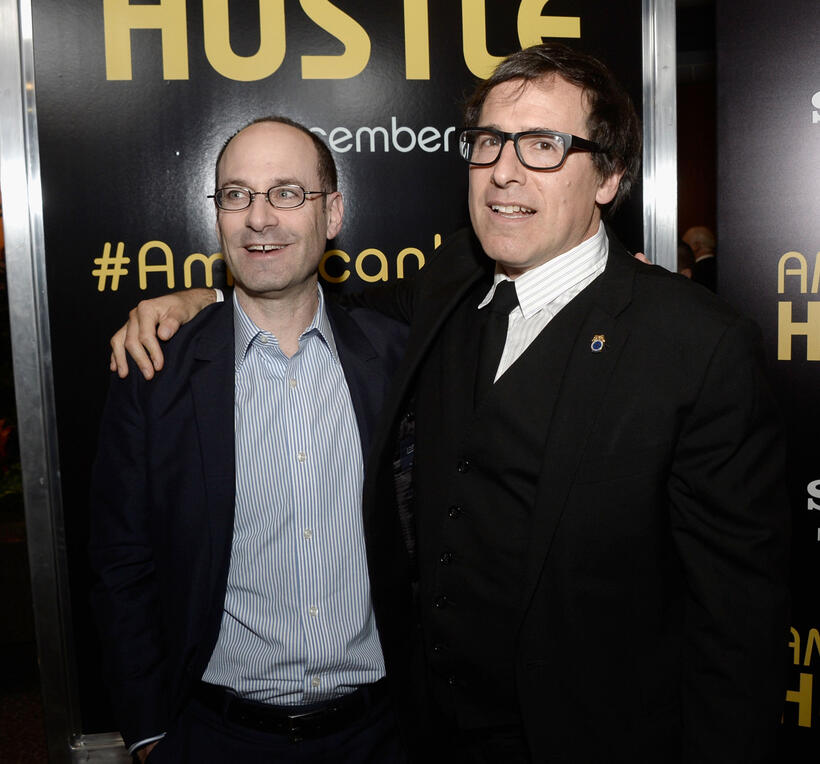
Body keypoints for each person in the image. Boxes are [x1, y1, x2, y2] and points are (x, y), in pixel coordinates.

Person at [110, 44, 789, 763]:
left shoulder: (697, 347)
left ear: (611, 176)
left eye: (544, 146)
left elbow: (738, 633)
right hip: (426, 735)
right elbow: (307, 298)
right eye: (490, 142)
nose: (504, 169)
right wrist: (206, 300)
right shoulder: (448, 284)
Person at [89, 117, 411, 763]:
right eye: (237, 195)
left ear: (333, 212)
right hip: (215, 738)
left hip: (383, 736)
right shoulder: (156, 372)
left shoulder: (398, 358)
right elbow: (119, 564)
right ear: (218, 217)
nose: (259, 217)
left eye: (287, 193)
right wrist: (151, 734)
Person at [682, 224, 717, 291]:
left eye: (685, 245)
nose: (683, 249)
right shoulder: (724, 268)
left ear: (696, 245)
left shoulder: (694, 272)